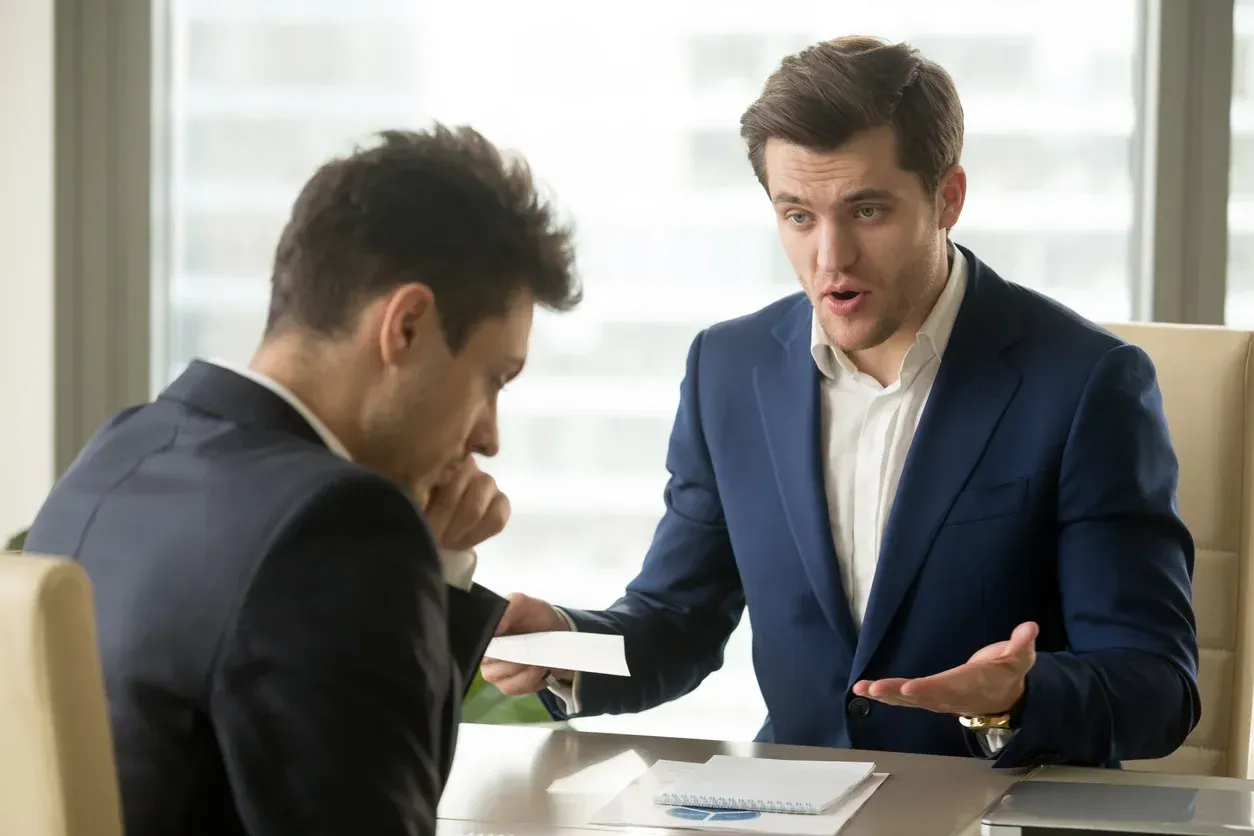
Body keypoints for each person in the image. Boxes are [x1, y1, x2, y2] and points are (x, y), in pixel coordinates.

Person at [482, 36, 1201, 769]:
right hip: (790, 810)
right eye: (798, 216)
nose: (830, 258)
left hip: (997, 810)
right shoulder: (729, 370)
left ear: (947, 198)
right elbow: (679, 621)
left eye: (865, 211)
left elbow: (1158, 684)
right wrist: (564, 642)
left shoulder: (1087, 385)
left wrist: (1019, 696)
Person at [24, 125, 581, 836]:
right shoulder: (339, 528)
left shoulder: (122, 450)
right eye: (493, 379)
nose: (488, 437)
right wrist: (431, 568)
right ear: (405, 326)